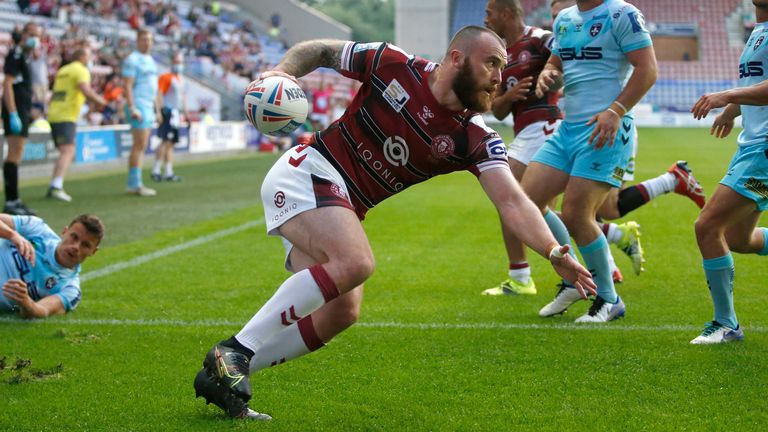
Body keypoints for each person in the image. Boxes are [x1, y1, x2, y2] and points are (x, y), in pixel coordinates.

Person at [193, 27, 597, 420]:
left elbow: (511, 200)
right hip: (307, 171)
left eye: (502, 66)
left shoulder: (475, 137)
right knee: (356, 262)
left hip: (341, 205)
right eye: (491, 63)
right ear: (457, 58)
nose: (499, 76)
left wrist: (553, 250)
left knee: (342, 312)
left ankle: (223, 375)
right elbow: (319, 50)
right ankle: (236, 350)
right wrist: (283, 71)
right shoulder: (393, 63)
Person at [517, 0, 657, 322]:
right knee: (527, 203)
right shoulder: (565, 19)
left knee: (577, 213)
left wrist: (615, 111)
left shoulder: (622, 13)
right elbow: (556, 64)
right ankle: (572, 279)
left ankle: (609, 300)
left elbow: (648, 69)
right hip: (569, 129)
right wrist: (548, 74)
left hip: (604, 128)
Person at [687, 0, 768, 344]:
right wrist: (733, 110)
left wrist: (728, 95)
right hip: (751, 146)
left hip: (764, 151)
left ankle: (726, 324)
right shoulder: (758, 33)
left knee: (707, 226)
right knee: (737, 239)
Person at [0, 213, 104, 318]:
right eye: (74, 237)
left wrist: (26, 302)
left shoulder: (70, 289)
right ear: (65, 232)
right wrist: (12, 235)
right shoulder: (38, 228)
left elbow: (43, 310)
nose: (76, 247)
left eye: (86, 245)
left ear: (93, 251)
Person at [46, 46, 108, 202]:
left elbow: (55, 93)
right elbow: (85, 89)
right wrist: (101, 101)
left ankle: (54, 184)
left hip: (55, 113)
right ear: (82, 57)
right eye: (88, 56)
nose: (90, 60)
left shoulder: (63, 70)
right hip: (66, 115)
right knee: (68, 151)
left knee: (65, 151)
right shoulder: (81, 70)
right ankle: (56, 186)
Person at [1, 22, 41, 216]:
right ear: (24, 34)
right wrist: (12, 113)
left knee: (17, 153)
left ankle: (14, 199)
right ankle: (11, 201)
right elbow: (7, 84)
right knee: (14, 153)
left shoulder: (24, 55)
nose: (35, 39)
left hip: (23, 109)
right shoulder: (16, 54)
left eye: (38, 36)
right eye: (32, 34)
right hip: (15, 110)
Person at [122, 28, 161, 196]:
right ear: (138, 41)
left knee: (142, 145)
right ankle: (134, 184)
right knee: (139, 144)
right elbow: (127, 85)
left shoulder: (151, 60)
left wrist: (157, 110)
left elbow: (155, 88)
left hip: (148, 105)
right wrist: (132, 107)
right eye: (144, 39)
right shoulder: (133, 59)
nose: (147, 42)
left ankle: (135, 182)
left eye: (150, 39)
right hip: (139, 104)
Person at [152, 51, 187, 183]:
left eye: (181, 62)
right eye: (177, 62)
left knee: (171, 143)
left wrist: (185, 113)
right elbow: (159, 94)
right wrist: (159, 111)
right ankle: (156, 169)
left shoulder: (181, 80)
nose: (179, 65)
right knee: (165, 141)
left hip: (176, 114)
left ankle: (168, 171)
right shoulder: (166, 77)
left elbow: (183, 98)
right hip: (168, 112)